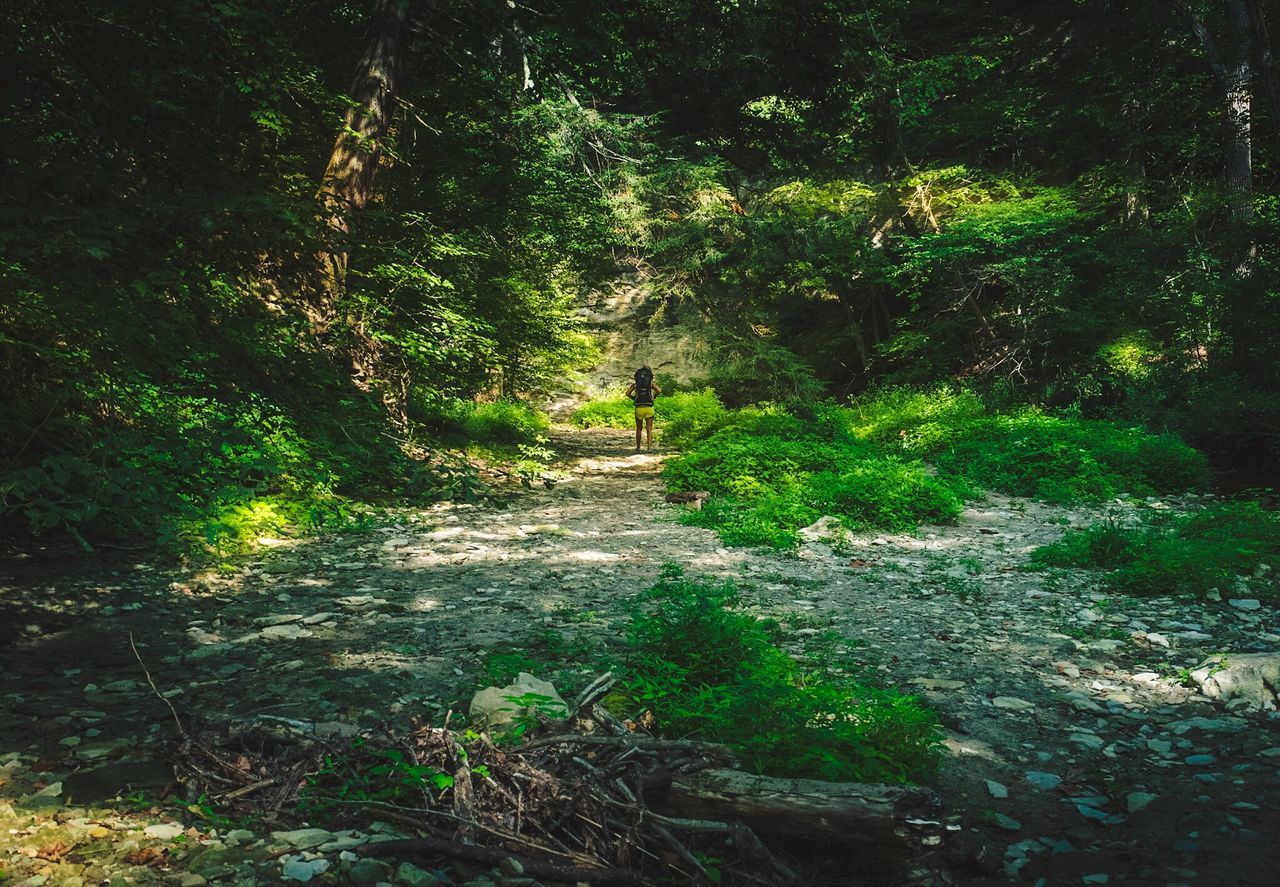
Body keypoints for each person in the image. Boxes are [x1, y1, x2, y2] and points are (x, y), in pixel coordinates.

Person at [624, 366, 661, 453]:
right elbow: (659, 391)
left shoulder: (635, 385)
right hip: (649, 407)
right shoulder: (650, 384)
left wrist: (634, 398)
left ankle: (638, 447)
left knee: (639, 428)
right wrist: (653, 397)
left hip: (639, 408)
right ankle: (649, 447)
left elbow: (627, 393)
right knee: (649, 428)